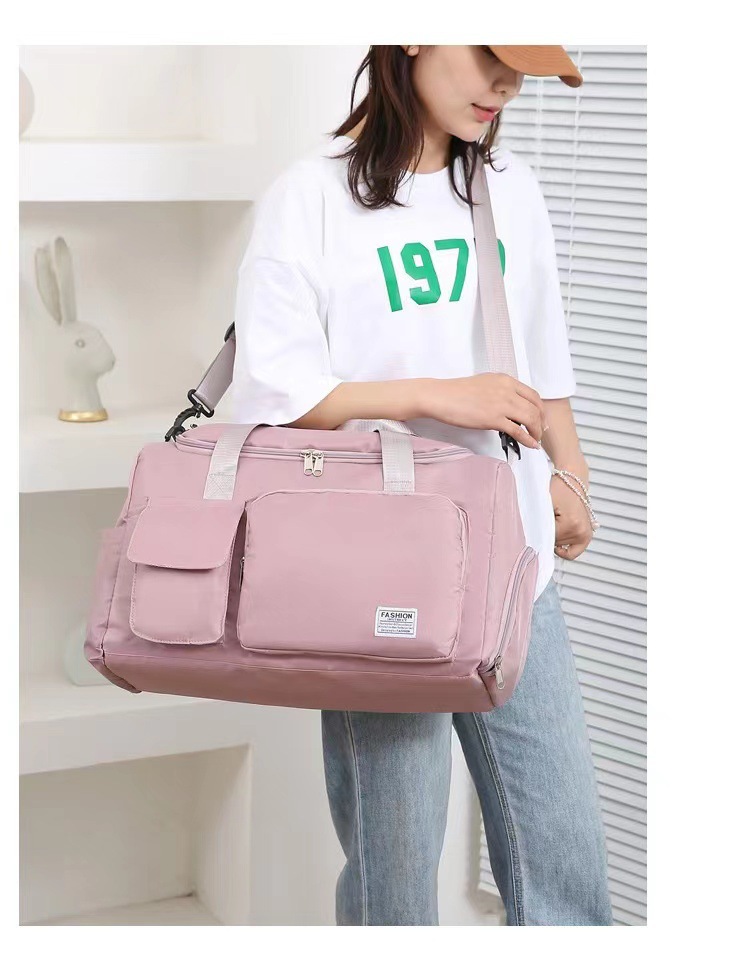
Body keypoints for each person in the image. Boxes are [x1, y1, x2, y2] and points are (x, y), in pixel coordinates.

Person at [231, 45, 612, 926]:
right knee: (396, 877)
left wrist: (571, 471)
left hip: (513, 564)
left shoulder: (509, 188)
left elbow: (542, 358)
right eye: (489, 55)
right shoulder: (310, 198)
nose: (506, 85)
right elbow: (278, 398)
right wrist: (437, 395)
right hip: (377, 576)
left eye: (524, 67)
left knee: (564, 864)